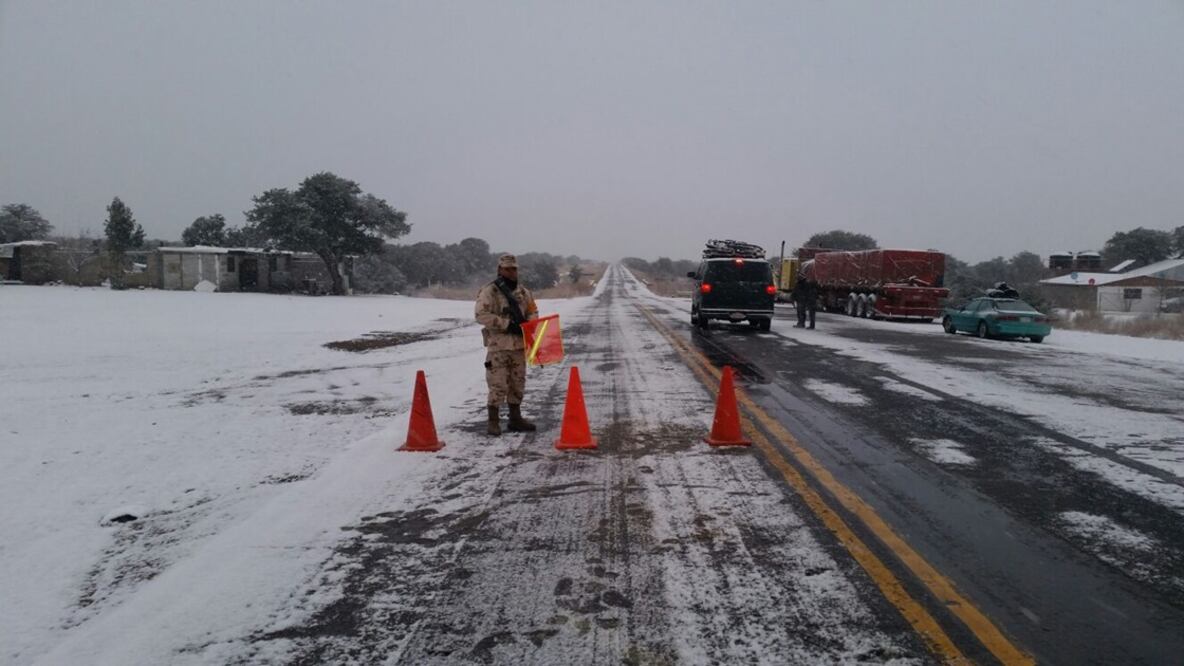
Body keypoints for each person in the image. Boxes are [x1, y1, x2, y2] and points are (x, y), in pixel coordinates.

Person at [475, 254, 540, 436]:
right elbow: (481, 315)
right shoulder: (490, 291)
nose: (511, 272)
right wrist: (507, 324)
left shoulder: (524, 292)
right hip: (499, 346)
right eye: (507, 268)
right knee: (498, 385)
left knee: (518, 383)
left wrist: (528, 325)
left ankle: (515, 418)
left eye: (514, 268)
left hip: (519, 346)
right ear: (500, 269)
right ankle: (493, 421)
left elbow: (533, 310)